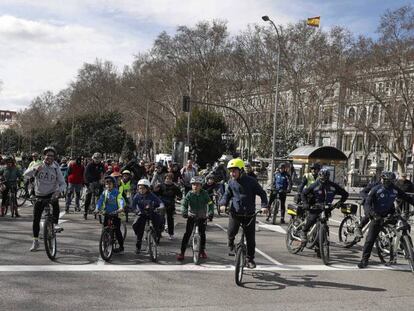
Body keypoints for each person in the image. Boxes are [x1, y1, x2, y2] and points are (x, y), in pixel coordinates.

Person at [219, 158, 269, 269]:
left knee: (250, 239)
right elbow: (227, 195)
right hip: (235, 213)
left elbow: (262, 193)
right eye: (230, 171)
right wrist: (223, 204)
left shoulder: (251, 181)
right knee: (231, 232)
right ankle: (231, 243)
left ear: (241, 170)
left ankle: (250, 259)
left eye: (234, 171)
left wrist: (264, 206)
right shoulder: (231, 182)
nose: (232, 173)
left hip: (249, 214)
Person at [358, 171, 414, 268]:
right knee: (370, 239)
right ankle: (364, 260)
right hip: (377, 216)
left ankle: (407, 247)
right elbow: (367, 204)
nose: (390, 183)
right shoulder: (376, 189)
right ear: (383, 180)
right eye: (388, 181)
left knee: (405, 225)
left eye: (392, 181)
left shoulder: (395, 189)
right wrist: (372, 214)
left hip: (390, 214)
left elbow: (407, 198)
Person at [24, 146, 66, 251]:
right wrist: (34, 169)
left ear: (54, 157)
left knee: (55, 204)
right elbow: (25, 175)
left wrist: (58, 191)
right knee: (36, 219)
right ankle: (35, 241)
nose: (49, 157)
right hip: (39, 195)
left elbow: (63, 184)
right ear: (44, 155)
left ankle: (55, 224)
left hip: (51, 194)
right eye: (47, 155)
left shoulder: (56, 168)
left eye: (52, 155)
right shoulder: (38, 164)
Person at [301, 169, 348, 251]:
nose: (323, 179)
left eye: (324, 177)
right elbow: (304, 193)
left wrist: (340, 203)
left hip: (327, 208)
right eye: (321, 177)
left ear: (328, 177)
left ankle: (319, 248)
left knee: (324, 226)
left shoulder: (333, 186)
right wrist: (305, 203)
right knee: (312, 219)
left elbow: (345, 194)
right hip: (315, 206)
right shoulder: (315, 185)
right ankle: (304, 232)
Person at [177, 176, 214, 261]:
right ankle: (182, 252)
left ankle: (202, 250)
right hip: (192, 216)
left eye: (197, 185)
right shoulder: (189, 194)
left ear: (201, 185)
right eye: (193, 184)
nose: (195, 186)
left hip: (202, 216)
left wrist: (211, 213)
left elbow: (210, 204)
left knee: (202, 234)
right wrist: (184, 212)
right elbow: (184, 204)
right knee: (187, 234)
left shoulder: (204, 193)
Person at [129, 179, 164, 254]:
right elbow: (133, 206)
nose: (141, 190)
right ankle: (138, 246)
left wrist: (160, 207)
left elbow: (160, 202)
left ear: (147, 188)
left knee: (158, 221)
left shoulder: (151, 195)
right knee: (137, 227)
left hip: (151, 212)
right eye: (139, 188)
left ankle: (156, 235)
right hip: (142, 213)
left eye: (143, 188)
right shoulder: (137, 196)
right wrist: (136, 211)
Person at [95, 175, 125, 253]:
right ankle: (105, 242)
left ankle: (121, 247)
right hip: (107, 213)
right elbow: (100, 201)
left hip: (116, 213)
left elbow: (120, 200)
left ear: (113, 184)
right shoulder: (104, 193)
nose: (108, 185)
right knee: (104, 229)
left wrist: (121, 208)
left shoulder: (116, 193)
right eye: (106, 184)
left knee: (117, 230)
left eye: (110, 184)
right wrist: (97, 208)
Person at [159, 173, 182, 239]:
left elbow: (179, 194)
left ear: (172, 180)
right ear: (165, 179)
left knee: (170, 219)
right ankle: (159, 232)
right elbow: (156, 193)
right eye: (167, 179)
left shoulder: (174, 187)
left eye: (170, 179)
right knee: (160, 218)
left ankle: (171, 234)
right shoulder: (161, 186)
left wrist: (179, 198)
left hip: (170, 204)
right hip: (162, 204)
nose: (168, 180)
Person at [83, 152, 105, 220]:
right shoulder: (89, 165)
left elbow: (103, 173)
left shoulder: (101, 165)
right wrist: (88, 183)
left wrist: (103, 180)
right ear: (93, 158)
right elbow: (86, 175)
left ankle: (100, 209)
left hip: (98, 182)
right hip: (90, 182)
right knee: (88, 196)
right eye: (96, 158)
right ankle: (85, 212)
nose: (97, 160)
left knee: (102, 195)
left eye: (98, 158)